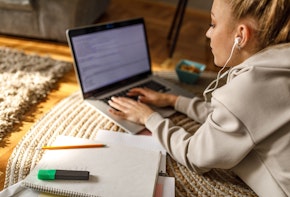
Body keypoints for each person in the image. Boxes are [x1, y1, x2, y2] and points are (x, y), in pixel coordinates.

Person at [108, 0, 290, 196]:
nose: (207, 33)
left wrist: (148, 118)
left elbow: (194, 156)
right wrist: (173, 101)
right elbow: (233, 119)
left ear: (241, 36)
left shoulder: (247, 90)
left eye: (213, 24)